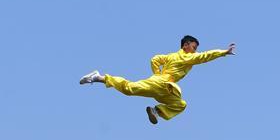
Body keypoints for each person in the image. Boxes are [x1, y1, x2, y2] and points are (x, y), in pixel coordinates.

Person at [79, 35, 235, 124]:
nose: (195, 51)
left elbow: (155, 59)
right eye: (194, 47)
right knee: (130, 89)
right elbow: (204, 56)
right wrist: (223, 52)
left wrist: (157, 73)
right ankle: (98, 77)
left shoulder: (171, 56)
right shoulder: (187, 57)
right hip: (162, 84)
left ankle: (156, 111)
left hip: (164, 87)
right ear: (186, 45)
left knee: (180, 104)